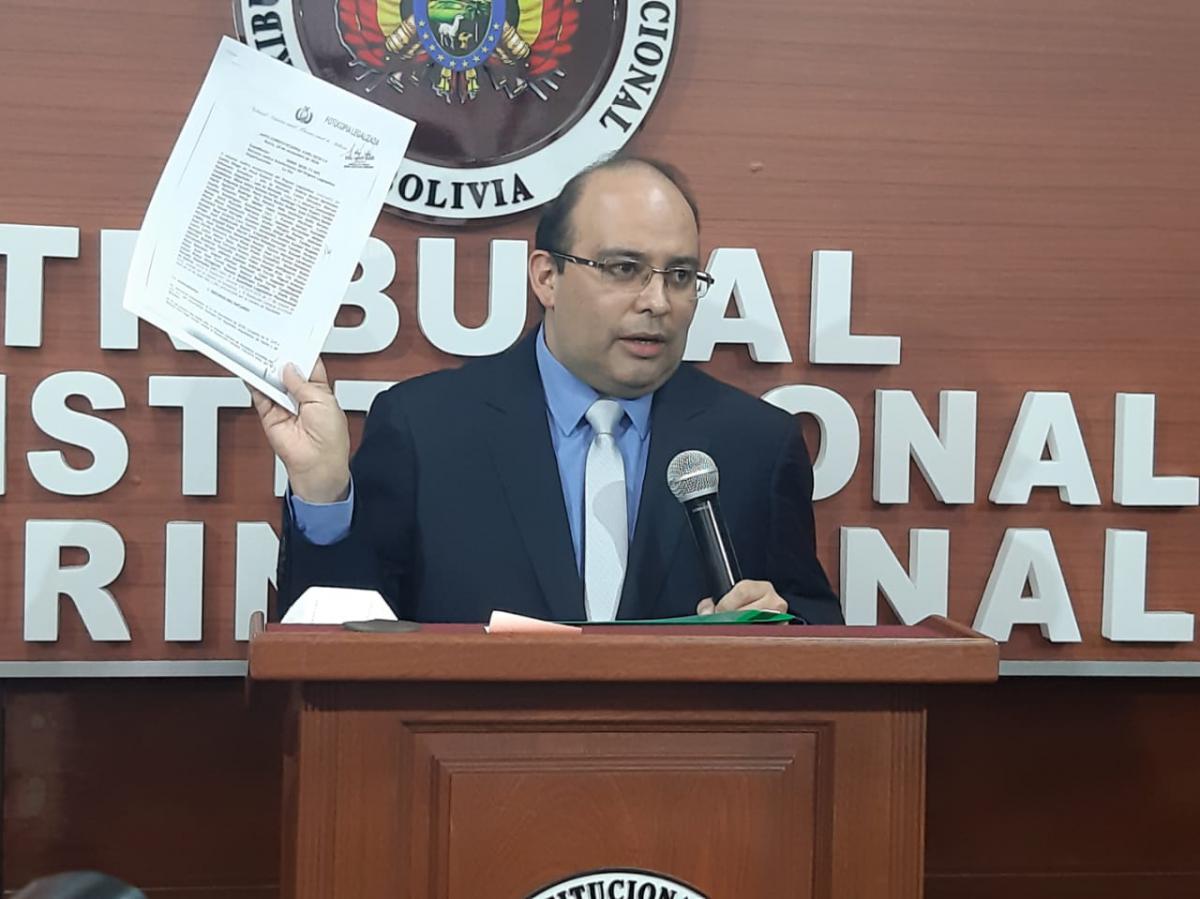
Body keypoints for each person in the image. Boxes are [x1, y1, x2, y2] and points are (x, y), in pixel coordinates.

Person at [255, 156, 842, 624]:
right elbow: (344, 640)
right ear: (546, 277)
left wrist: (779, 629)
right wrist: (324, 495)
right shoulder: (427, 428)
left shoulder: (755, 444)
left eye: (681, 276)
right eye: (624, 268)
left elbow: (818, 633)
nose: (657, 302)